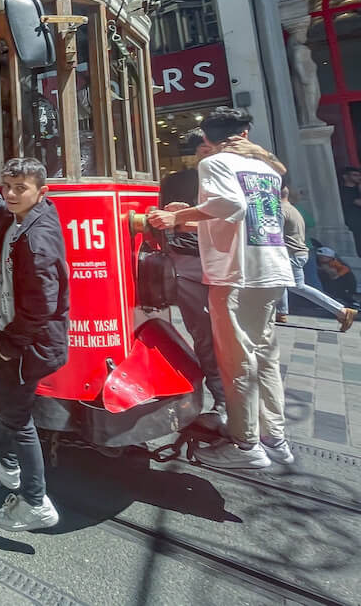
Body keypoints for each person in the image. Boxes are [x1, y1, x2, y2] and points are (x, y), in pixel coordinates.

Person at [148, 107, 294, 469]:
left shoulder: (215, 163)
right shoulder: (267, 167)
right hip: (271, 269)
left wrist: (176, 217)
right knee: (264, 357)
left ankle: (245, 446)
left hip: (236, 275)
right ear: (244, 133)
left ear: (208, 139)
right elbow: (243, 220)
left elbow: (232, 206)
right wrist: (193, 216)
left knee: (236, 361)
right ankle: (273, 436)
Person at [0, 151, 69, 532]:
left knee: (20, 418)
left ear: (42, 191)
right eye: (8, 186)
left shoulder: (36, 239)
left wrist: (11, 342)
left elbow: (43, 304)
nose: (9, 194)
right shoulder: (20, 215)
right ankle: (6, 464)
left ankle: (36, 502)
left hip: (31, 345)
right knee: (11, 403)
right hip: (26, 340)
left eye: (19, 189)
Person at [157, 129, 229, 432]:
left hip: (222, 261)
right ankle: (225, 400)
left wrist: (184, 220)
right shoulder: (177, 181)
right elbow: (162, 219)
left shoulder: (229, 176)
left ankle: (233, 403)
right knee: (207, 334)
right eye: (201, 149)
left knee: (221, 335)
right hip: (194, 261)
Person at [279, 187, 356, 331]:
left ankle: (341, 311)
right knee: (284, 282)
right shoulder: (295, 210)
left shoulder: (281, 210)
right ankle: (281, 312)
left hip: (290, 253)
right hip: (300, 251)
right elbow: (311, 223)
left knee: (289, 283)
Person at [338, 166, 361, 246]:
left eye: (359, 175)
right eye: (354, 175)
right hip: (354, 222)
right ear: (345, 177)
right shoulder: (343, 191)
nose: (358, 177)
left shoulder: (357, 189)